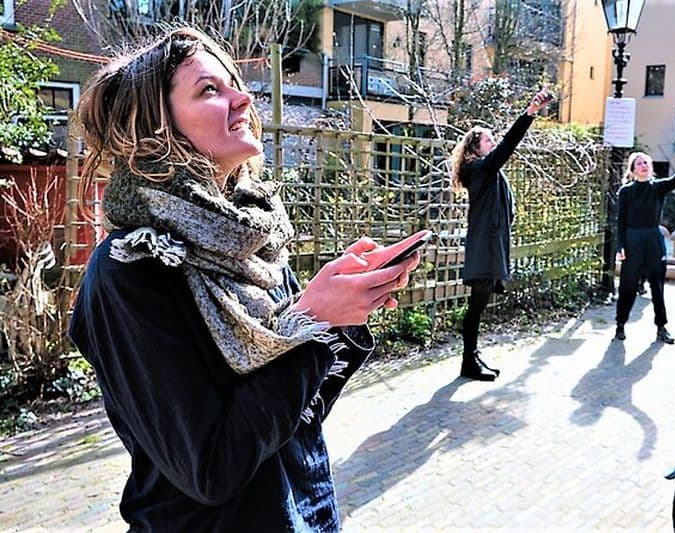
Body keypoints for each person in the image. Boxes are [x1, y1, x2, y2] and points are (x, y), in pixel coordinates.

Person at [68, 27, 420, 531]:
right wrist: (311, 321)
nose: (243, 97)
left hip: (307, 514)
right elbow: (210, 469)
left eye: (235, 82)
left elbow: (297, 417)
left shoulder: (250, 240)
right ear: (155, 128)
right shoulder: (130, 271)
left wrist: (337, 318)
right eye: (210, 89)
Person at [450, 89, 551, 381]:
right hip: (484, 246)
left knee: (479, 304)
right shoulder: (478, 169)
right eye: (488, 140)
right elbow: (508, 145)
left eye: (492, 139)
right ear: (474, 149)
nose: (493, 143)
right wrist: (529, 112)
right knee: (476, 304)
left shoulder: (486, 169)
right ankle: (468, 361)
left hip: (491, 244)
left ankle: (472, 357)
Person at [614, 128, 675, 345]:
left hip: (653, 239)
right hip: (632, 240)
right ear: (632, 169)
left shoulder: (658, 188)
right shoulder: (626, 191)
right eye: (639, 162)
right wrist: (620, 246)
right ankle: (620, 325)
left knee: (657, 286)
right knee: (628, 286)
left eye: (646, 162)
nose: (644, 165)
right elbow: (620, 222)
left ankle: (661, 327)